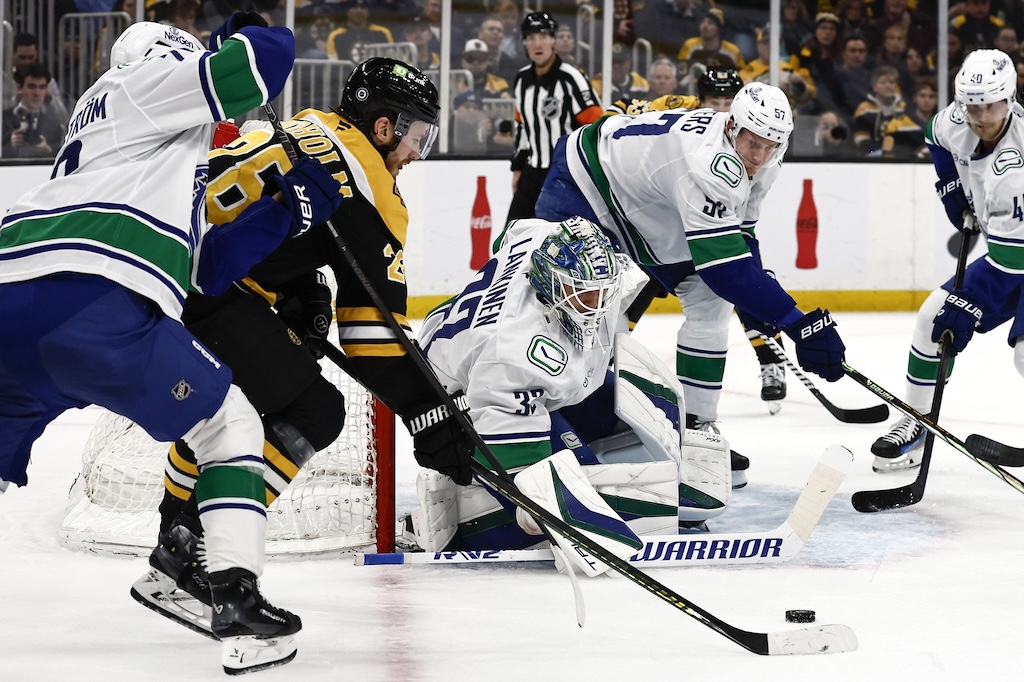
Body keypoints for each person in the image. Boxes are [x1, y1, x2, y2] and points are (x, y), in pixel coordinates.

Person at [0, 17, 344, 674]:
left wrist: (285, 213)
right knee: (230, 422)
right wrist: (243, 39)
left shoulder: (131, 141)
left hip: (11, 292)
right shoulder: (139, 85)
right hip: (89, 299)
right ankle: (235, 598)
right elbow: (265, 59)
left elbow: (205, 269)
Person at [130, 56, 474, 639]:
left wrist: (300, 284)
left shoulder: (306, 123)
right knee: (315, 409)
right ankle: (190, 552)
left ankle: (176, 539)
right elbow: (372, 338)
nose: (418, 152)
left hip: (151, 267)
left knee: (229, 407)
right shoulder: (371, 185)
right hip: (213, 289)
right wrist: (432, 415)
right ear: (384, 127)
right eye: (417, 136)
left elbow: (267, 209)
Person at [533, 82, 848, 486]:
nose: (760, 155)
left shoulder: (765, 159)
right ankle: (577, 421)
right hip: (586, 181)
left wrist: (762, 299)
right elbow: (725, 270)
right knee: (590, 306)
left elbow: (742, 241)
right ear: (733, 127)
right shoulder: (710, 165)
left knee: (710, 303)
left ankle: (696, 431)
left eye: (771, 145)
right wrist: (796, 320)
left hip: (648, 203)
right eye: (753, 142)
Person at [407, 217, 730, 562]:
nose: (598, 303)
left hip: (485, 355)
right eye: (586, 295)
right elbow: (521, 465)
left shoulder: (546, 239)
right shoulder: (514, 352)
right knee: (572, 493)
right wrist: (555, 511)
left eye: (604, 290)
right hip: (461, 393)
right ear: (550, 284)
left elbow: (513, 231)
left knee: (626, 414)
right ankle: (464, 526)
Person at [606, 69, 793, 422]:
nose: (720, 106)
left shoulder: (764, 154)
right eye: (715, 102)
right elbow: (617, 112)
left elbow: (744, 227)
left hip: (709, 223)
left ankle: (770, 359)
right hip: (660, 218)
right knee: (634, 291)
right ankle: (608, 364)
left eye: (727, 100)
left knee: (744, 287)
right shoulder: (684, 117)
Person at [870, 49, 1024, 473]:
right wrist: (950, 185)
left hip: (1017, 253)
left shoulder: (1017, 163)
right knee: (930, 317)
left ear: (1010, 99)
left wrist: (969, 302)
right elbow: (933, 134)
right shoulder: (956, 120)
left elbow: (1012, 263)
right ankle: (916, 422)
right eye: (971, 104)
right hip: (1009, 250)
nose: (979, 115)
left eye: (989, 106)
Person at [507, 11, 602, 222]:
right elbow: (522, 127)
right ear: (524, 43)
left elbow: (596, 125)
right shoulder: (521, 80)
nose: (537, 44)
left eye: (542, 37)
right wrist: (517, 168)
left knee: (562, 239)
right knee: (512, 238)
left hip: (565, 174)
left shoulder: (572, 78)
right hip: (532, 173)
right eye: (531, 38)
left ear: (553, 41)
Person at [1, 63, 67, 159]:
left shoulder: (53, 124)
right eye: (32, 87)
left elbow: (60, 156)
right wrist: (10, 147)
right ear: (19, 88)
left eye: (42, 87)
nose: (37, 93)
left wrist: (47, 150)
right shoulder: (3, 120)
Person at [326, 0, 393, 63]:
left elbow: (392, 57)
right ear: (347, 10)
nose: (359, 11)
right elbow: (334, 63)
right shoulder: (335, 35)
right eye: (354, 6)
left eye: (363, 7)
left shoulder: (383, 32)